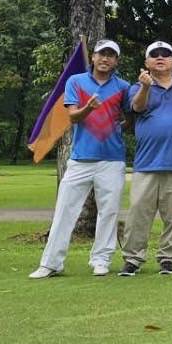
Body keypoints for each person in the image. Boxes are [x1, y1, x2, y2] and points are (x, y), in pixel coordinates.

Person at [29, 40, 129, 278]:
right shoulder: (76, 81)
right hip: (81, 159)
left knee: (109, 212)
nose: (105, 59)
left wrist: (118, 125)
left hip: (112, 159)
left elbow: (129, 116)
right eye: (101, 54)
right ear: (93, 57)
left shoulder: (124, 86)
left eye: (110, 55)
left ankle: (101, 260)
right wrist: (89, 108)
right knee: (65, 210)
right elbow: (73, 116)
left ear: (116, 61)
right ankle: (51, 263)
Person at [118, 41, 172, 276]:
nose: (160, 57)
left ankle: (168, 258)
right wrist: (146, 87)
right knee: (139, 213)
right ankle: (133, 259)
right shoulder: (137, 87)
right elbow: (137, 108)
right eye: (154, 55)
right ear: (147, 62)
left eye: (165, 54)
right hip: (147, 162)